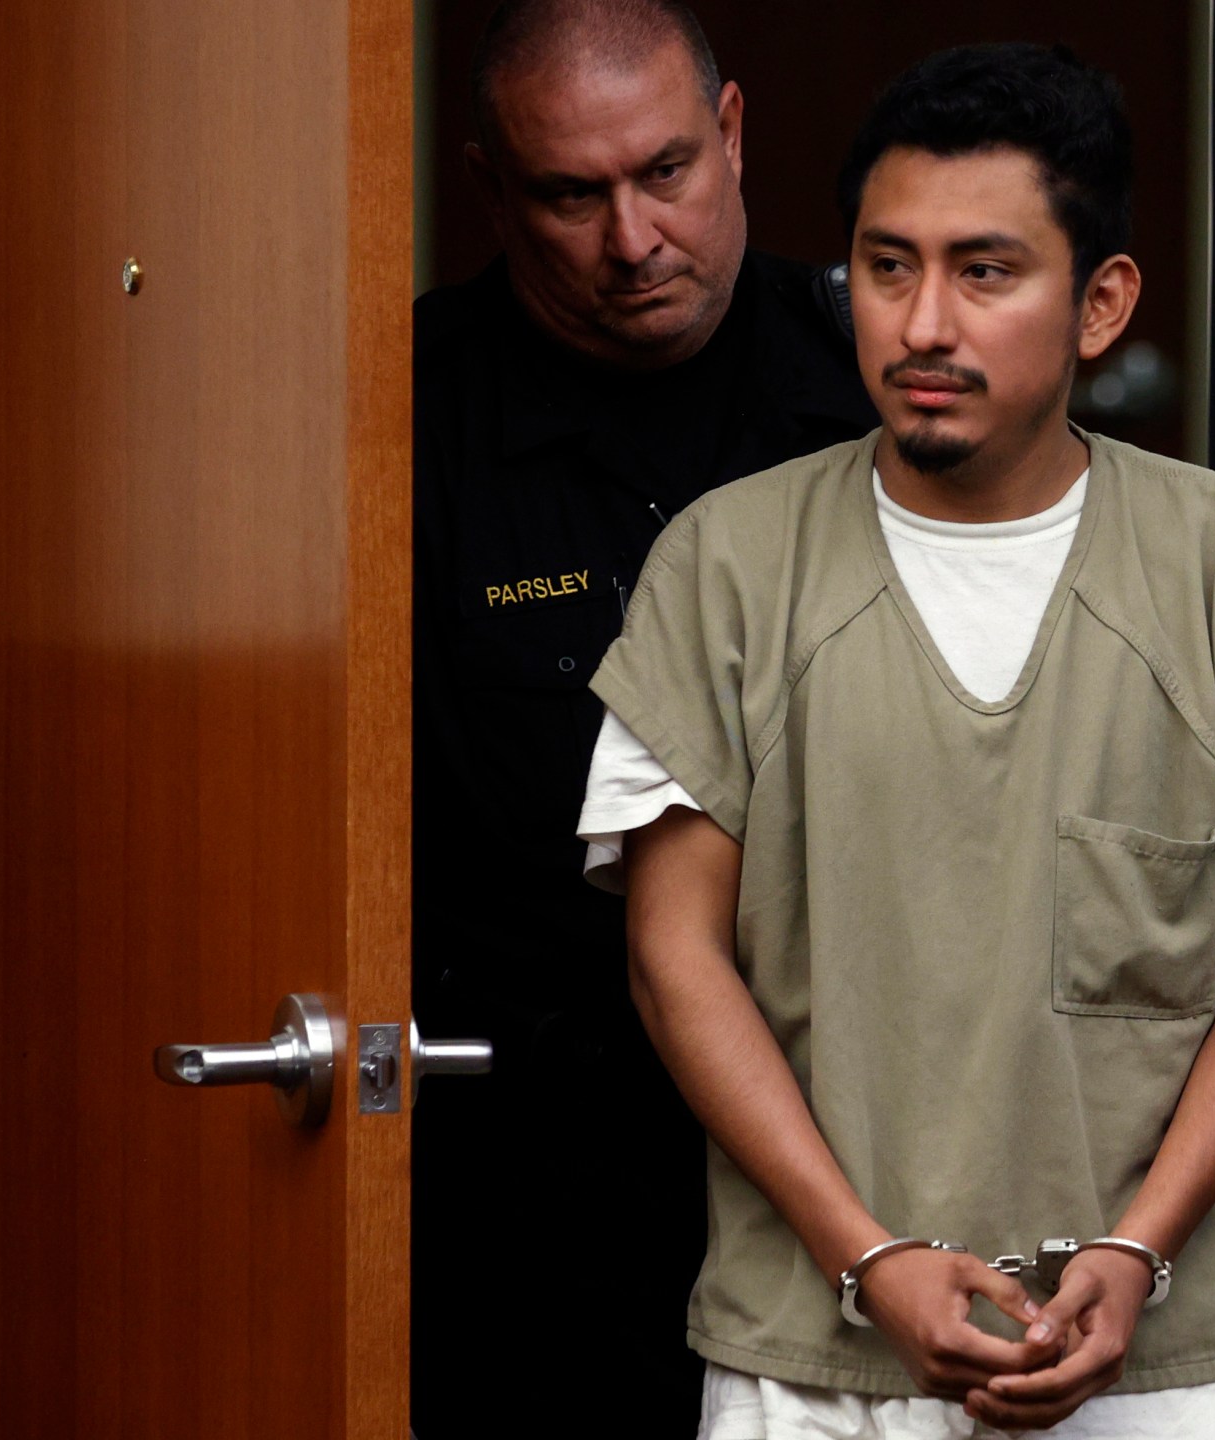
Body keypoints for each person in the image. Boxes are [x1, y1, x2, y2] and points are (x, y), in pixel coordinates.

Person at [577, 42, 1215, 1440]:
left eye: (987, 272)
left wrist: (1137, 1252)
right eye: (888, 269)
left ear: (1101, 302)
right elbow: (673, 955)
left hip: (1159, 1363)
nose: (924, 324)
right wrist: (868, 1258)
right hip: (813, 1363)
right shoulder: (732, 566)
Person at [409, 1, 876, 1433]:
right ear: (493, 191)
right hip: (534, 1178)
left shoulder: (883, 379)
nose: (631, 240)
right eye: (571, 195)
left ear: (733, 136)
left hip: (859, 1142)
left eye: (665, 172)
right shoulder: (399, 419)